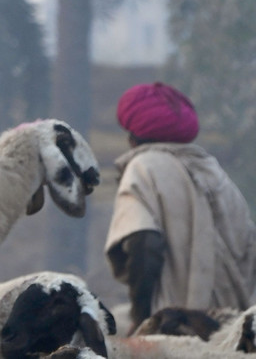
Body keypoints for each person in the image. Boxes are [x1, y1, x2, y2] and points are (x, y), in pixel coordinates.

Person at [104, 82, 256, 331]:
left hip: (174, 328)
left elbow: (144, 242)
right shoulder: (213, 171)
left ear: (132, 138)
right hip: (232, 329)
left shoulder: (142, 170)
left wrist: (141, 319)